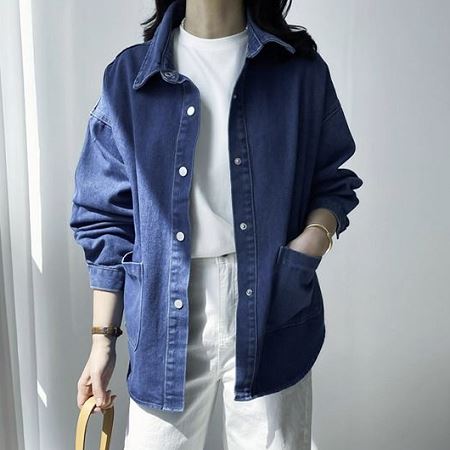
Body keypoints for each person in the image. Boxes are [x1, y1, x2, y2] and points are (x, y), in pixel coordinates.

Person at [69, 0, 363, 448]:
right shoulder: (130, 78)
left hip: (271, 305)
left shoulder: (299, 72)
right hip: (164, 314)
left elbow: (332, 182)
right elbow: (105, 216)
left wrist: (312, 240)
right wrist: (102, 339)